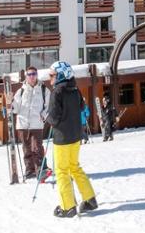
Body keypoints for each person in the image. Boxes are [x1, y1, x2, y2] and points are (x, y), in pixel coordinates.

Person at [47, 61, 98, 218]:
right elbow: (81, 108)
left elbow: (54, 118)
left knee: (62, 171)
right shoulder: (75, 90)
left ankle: (67, 207)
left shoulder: (57, 92)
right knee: (74, 167)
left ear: (61, 75)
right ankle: (90, 199)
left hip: (62, 137)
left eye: (52, 75)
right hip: (75, 136)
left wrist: (48, 118)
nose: (50, 79)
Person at [9, 66, 48, 180]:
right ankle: (30, 171)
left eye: (34, 74)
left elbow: (49, 106)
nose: (32, 76)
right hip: (23, 124)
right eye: (29, 74)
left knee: (37, 148)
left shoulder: (44, 90)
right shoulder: (20, 91)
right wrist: (10, 103)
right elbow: (15, 108)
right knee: (26, 149)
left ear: (37, 75)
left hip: (37, 124)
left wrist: (43, 115)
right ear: (26, 76)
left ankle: (40, 170)